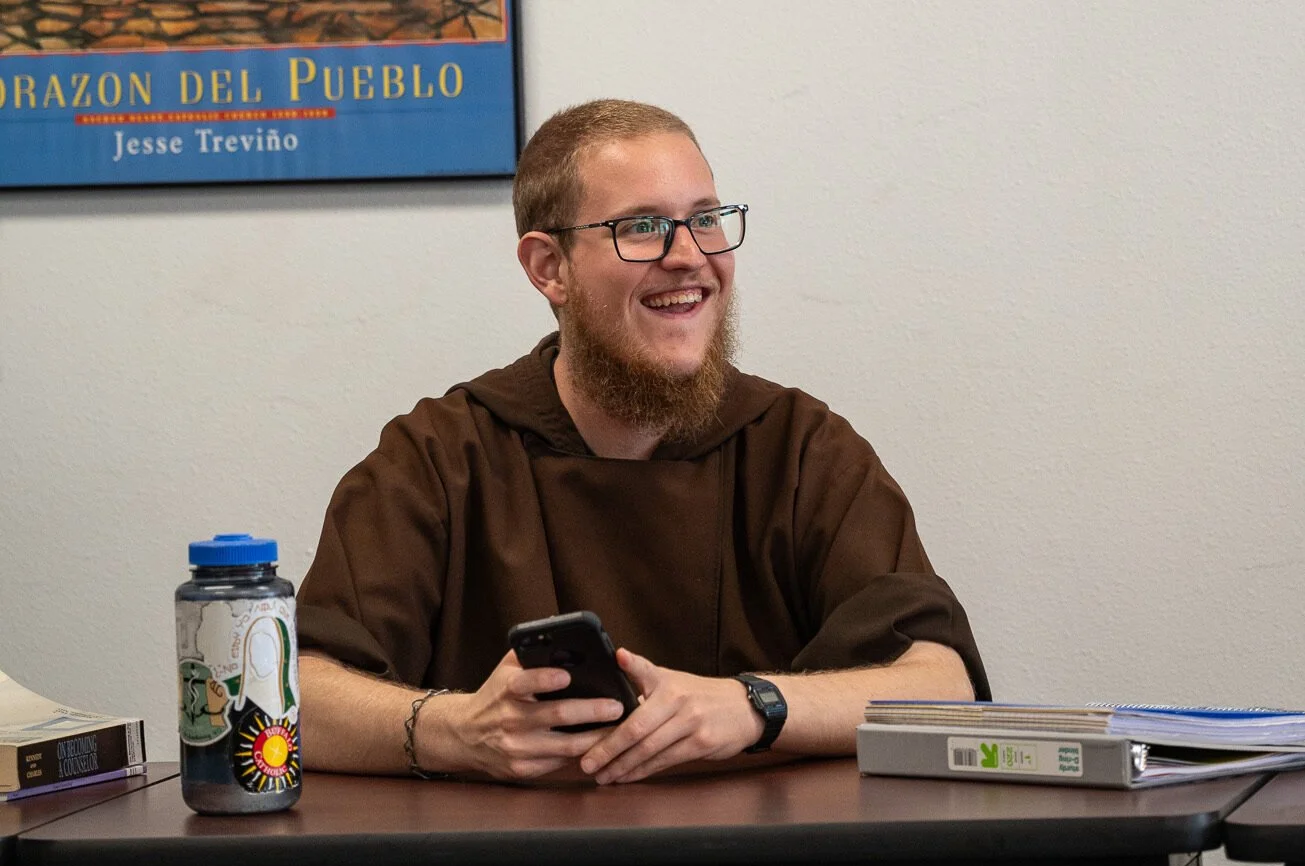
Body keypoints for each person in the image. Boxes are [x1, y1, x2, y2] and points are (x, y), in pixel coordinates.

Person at [296, 99, 989, 786]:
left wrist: (750, 705)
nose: (690, 257)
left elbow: (943, 681)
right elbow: (295, 696)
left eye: (707, 220)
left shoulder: (805, 450)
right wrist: (458, 730)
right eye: (644, 227)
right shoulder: (441, 455)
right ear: (548, 268)